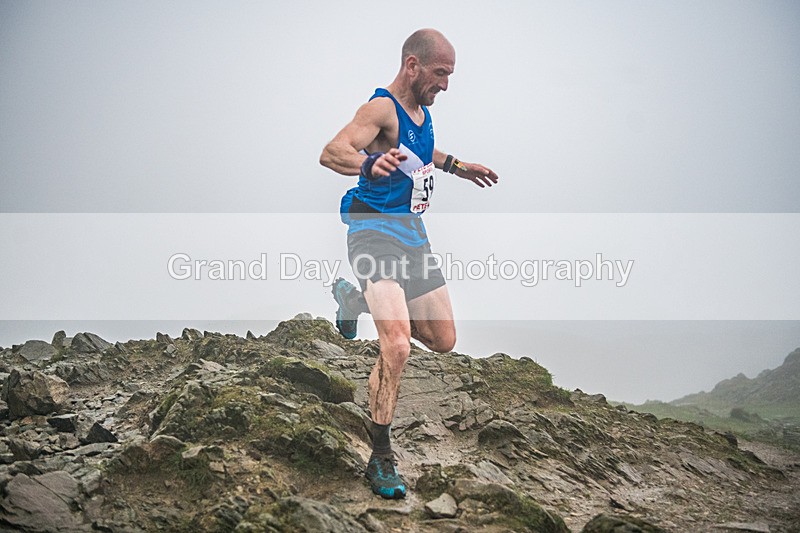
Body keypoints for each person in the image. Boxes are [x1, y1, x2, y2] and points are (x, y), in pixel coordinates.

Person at [319, 28, 499, 499]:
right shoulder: (381, 109)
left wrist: (459, 166)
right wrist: (364, 165)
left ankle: (355, 299)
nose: (445, 85)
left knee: (443, 339)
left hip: (413, 238)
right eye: (440, 74)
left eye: (450, 76)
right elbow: (332, 151)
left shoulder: (420, 113)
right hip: (373, 234)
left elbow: (422, 154)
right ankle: (380, 457)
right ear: (413, 65)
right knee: (397, 346)